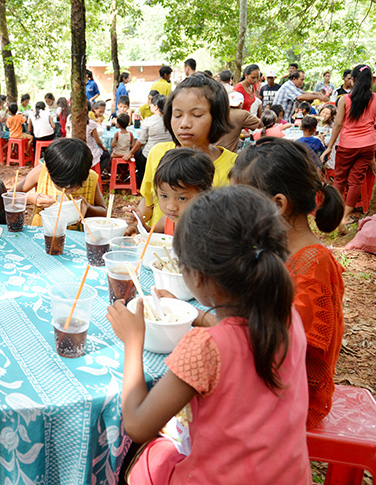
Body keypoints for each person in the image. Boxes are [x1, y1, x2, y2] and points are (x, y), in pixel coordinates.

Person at [111, 186, 311, 484]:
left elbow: (138, 425)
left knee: (147, 457)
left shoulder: (205, 348)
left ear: (199, 276)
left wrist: (133, 341)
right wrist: (201, 317)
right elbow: (240, 338)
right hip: (289, 476)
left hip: (214, 478)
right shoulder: (285, 315)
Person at [232, 137, 345, 429]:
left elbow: (280, 341)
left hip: (292, 398)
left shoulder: (312, 265)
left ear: (278, 205)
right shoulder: (276, 247)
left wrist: (206, 320)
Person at [137, 74, 236, 227]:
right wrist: (137, 223)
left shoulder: (235, 165)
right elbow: (149, 202)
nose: (184, 124)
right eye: (177, 115)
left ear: (216, 118)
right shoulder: (158, 153)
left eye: (196, 115)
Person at [322, 64, 376, 228]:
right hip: (368, 145)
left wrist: (330, 147)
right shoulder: (375, 98)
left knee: (340, 179)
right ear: (370, 81)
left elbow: (337, 125)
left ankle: (337, 216)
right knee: (356, 181)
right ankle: (345, 217)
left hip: (347, 145)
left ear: (353, 80)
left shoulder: (344, 99)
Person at [14, 137, 106, 226]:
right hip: (43, 234)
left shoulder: (91, 178)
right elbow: (9, 196)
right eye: (61, 185)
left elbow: (104, 212)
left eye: (74, 187)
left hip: (78, 237)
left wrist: (88, 208)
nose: (68, 190)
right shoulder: (40, 173)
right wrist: (30, 199)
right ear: (48, 170)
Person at [139, 147, 214, 235]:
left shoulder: (207, 227)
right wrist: (140, 225)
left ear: (204, 195)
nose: (171, 207)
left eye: (182, 198)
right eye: (164, 196)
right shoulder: (168, 219)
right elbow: (152, 234)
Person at [125, 94, 170, 188]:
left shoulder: (149, 121)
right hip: (169, 153)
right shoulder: (171, 119)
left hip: (151, 154)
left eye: (151, 105)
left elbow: (141, 141)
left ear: (156, 107)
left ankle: (143, 181)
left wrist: (130, 152)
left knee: (138, 155)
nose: (150, 106)